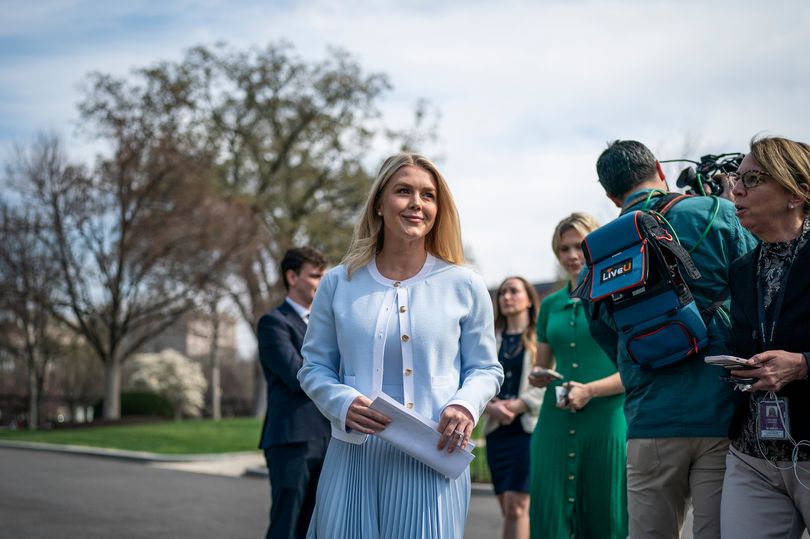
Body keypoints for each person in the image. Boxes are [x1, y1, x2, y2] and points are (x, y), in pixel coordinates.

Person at [297, 152, 504, 538]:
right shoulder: (338, 282)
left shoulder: (465, 284)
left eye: (428, 195)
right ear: (378, 203)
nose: (416, 203)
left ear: (439, 210)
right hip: (354, 454)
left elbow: (486, 368)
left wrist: (464, 404)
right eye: (403, 191)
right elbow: (313, 366)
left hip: (434, 455)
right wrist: (340, 402)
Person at [585, 140, 758, 539]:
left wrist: (643, 358)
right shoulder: (717, 213)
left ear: (611, 196)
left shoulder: (602, 247)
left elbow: (602, 327)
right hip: (721, 410)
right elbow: (760, 285)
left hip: (649, 420)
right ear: (660, 170)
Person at [721, 136, 810, 538]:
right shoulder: (741, 268)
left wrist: (804, 364)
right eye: (736, 179)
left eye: (752, 179)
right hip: (752, 452)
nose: (735, 190)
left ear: (797, 193)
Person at [527, 212, 627, 539]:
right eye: (563, 249)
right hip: (553, 422)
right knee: (549, 519)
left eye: (579, 247)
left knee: (607, 519)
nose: (571, 256)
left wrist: (590, 391)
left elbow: (636, 370)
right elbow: (540, 367)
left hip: (607, 419)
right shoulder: (550, 305)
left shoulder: (619, 298)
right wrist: (538, 377)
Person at [257, 246, 330, 539]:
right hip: (292, 441)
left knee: (316, 528)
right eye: (314, 276)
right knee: (286, 527)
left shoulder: (328, 326)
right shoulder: (274, 323)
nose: (321, 283)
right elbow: (297, 376)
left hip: (328, 441)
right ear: (292, 276)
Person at [483, 276, 545, 539]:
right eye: (503, 292)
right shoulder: (488, 341)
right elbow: (472, 378)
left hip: (527, 430)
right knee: (507, 508)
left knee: (517, 507)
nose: (506, 296)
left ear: (529, 300)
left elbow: (548, 378)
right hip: (497, 431)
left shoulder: (539, 340)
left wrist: (520, 404)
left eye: (514, 291)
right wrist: (489, 407)